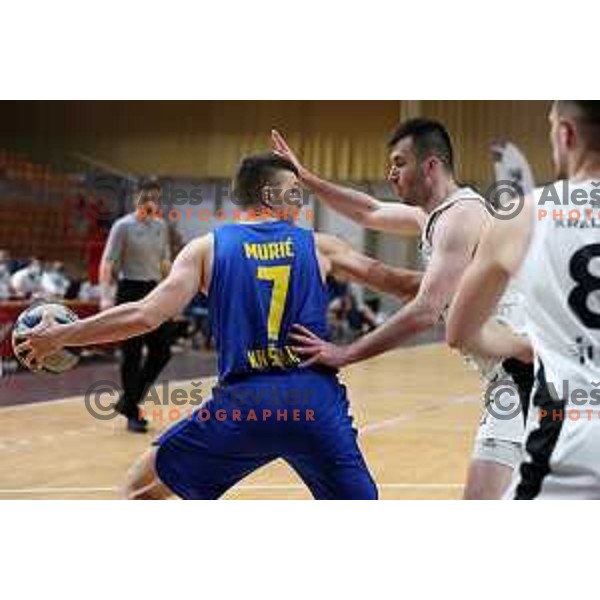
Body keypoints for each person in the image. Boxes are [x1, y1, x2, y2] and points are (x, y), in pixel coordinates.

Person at [18, 153, 422, 500]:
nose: (300, 203)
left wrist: (64, 335)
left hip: (245, 407)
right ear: (270, 196)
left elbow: (145, 315)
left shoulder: (207, 249)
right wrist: (473, 270)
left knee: (139, 490)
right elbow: (402, 284)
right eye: (295, 193)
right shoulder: (320, 245)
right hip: (315, 405)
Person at [271, 123, 533, 499]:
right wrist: (307, 178)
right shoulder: (433, 215)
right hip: (512, 376)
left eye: (399, 163)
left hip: (522, 374)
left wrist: (345, 352)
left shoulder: (461, 217)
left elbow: (426, 310)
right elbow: (368, 210)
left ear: (431, 166)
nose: (390, 173)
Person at [447, 101, 600, 499]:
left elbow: (461, 331)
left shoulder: (523, 216)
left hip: (573, 432)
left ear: (565, 134)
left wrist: (524, 346)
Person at [99, 180, 173, 432]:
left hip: (155, 291)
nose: (154, 202)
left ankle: (129, 401)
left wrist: (172, 292)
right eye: (149, 198)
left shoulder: (161, 226)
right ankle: (132, 411)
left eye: (157, 198)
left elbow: (165, 261)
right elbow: (108, 262)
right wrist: (105, 297)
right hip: (130, 289)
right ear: (138, 200)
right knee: (132, 353)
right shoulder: (123, 226)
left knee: (162, 351)